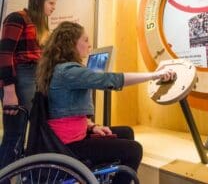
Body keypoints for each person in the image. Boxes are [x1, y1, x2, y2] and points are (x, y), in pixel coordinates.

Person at [36, 21, 176, 184]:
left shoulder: (60, 69)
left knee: (126, 132)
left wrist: (92, 126)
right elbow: (112, 79)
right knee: (134, 150)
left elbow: (67, 111)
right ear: (72, 43)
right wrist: (154, 75)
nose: (90, 45)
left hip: (67, 137)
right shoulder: (68, 71)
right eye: (86, 40)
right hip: (69, 146)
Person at [0, 0, 57, 168]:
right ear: (39, 2)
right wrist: (9, 91)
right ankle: (5, 176)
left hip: (34, 76)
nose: (53, 8)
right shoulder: (17, 18)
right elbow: (4, 53)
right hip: (21, 76)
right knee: (15, 132)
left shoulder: (40, 26)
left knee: (30, 130)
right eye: (51, 3)